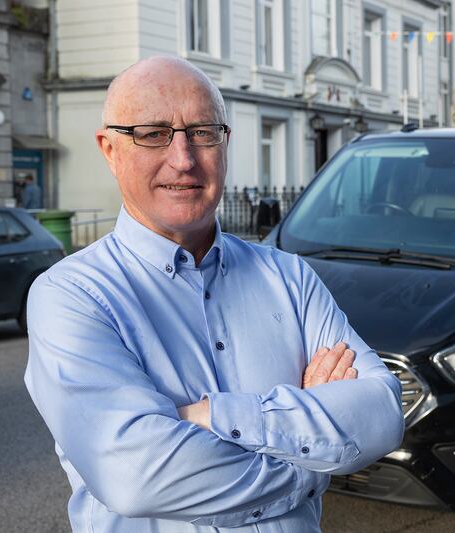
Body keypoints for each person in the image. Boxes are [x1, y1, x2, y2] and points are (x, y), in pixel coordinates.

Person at [24, 56, 404, 532]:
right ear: (109, 149)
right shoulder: (71, 295)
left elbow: (383, 413)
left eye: (202, 132)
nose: (183, 159)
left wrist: (208, 416)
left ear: (225, 143)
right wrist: (310, 461)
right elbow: (135, 477)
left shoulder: (289, 276)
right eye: (152, 133)